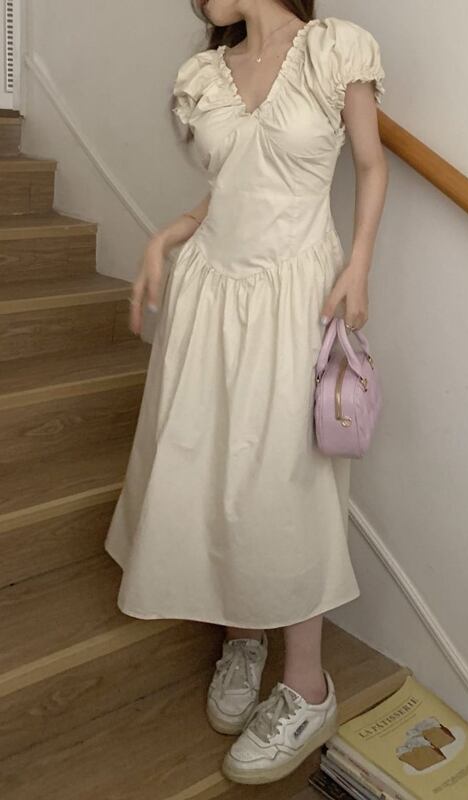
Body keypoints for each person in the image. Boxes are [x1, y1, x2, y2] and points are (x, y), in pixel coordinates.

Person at [104, 0, 388, 785]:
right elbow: (231, 187)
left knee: (285, 481)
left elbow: (369, 165)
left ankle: (307, 686)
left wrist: (359, 263)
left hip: (295, 291)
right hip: (208, 290)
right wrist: (169, 232)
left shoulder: (334, 49)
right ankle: (242, 636)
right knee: (211, 467)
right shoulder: (205, 74)